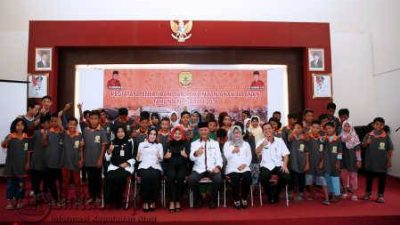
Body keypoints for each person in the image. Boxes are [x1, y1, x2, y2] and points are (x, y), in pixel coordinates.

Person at [189, 122, 223, 209]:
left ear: (209, 131)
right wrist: (196, 153)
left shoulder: (215, 143)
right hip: (198, 169)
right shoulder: (194, 143)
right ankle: (198, 199)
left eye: (205, 130)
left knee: (218, 179)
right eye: (201, 130)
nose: (203, 132)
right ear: (199, 132)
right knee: (192, 180)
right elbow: (191, 158)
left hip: (212, 168)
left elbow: (219, 158)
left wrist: (218, 167)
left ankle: (212, 200)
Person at [256, 122, 290, 204]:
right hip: (266, 165)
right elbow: (256, 152)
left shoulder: (279, 140)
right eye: (265, 129)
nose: (267, 130)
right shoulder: (260, 141)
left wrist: (285, 165)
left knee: (287, 177)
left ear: (273, 129)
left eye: (269, 128)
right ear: (263, 131)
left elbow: (286, 155)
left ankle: (276, 192)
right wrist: (262, 145)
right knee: (263, 178)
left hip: (278, 164)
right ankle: (269, 193)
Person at [362, 117, 393, 203]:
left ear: (383, 126)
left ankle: (380, 196)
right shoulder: (368, 135)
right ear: (373, 125)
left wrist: (389, 160)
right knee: (369, 179)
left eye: (381, 124)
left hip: (381, 164)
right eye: (377, 124)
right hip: (370, 162)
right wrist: (366, 142)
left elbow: (390, 149)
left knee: (382, 180)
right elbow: (363, 146)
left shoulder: (386, 137)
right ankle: (368, 193)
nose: (379, 126)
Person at [2, 118, 30, 210]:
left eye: (22, 125)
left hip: (22, 166)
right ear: (14, 126)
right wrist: (8, 140)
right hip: (11, 165)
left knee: (21, 185)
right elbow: (3, 145)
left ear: (24, 127)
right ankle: (10, 202)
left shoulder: (26, 138)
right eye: (17, 125)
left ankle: (20, 201)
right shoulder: (11, 136)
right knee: (10, 185)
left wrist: (28, 163)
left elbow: (28, 152)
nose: (20, 127)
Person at [104, 126, 135, 208]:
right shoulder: (112, 142)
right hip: (114, 166)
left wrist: (128, 163)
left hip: (126, 166)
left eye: (122, 131)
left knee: (120, 177)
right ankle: (111, 200)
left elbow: (134, 156)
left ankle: (119, 199)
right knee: (110, 177)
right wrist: (109, 151)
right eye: (118, 132)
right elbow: (107, 158)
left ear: (125, 132)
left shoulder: (130, 141)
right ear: (115, 133)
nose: (120, 134)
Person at [223, 126, 252, 209]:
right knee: (235, 179)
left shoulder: (246, 144)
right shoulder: (227, 144)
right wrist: (233, 151)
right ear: (231, 134)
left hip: (244, 166)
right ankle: (236, 199)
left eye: (238, 132)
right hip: (231, 167)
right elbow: (226, 158)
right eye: (234, 132)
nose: (236, 134)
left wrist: (245, 164)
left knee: (248, 177)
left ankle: (244, 198)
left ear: (241, 134)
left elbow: (249, 156)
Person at [83, 110, 107, 205]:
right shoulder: (85, 130)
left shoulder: (102, 130)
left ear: (99, 120)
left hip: (98, 159)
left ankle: (98, 196)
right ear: (89, 119)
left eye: (95, 119)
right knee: (90, 179)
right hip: (88, 159)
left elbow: (103, 146)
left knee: (97, 179)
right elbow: (83, 145)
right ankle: (91, 196)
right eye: (92, 118)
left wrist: (100, 159)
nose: (93, 121)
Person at [136, 128, 164, 212]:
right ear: (147, 135)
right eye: (151, 134)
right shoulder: (141, 144)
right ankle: (145, 201)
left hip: (155, 166)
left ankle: (152, 201)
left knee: (155, 177)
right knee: (146, 177)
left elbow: (161, 159)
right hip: (144, 165)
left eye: (154, 134)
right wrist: (138, 155)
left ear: (156, 136)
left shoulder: (159, 145)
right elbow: (138, 159)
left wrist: (159, 156)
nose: (152, 136)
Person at [164, 126, 190, 212]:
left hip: (182, 166)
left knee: (180, 177)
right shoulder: (168, 143)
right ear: (172, 134)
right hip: (170, 165)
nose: (177, 135)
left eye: (179, 133)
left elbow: (191, 158)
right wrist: (166, 157)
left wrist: (186, 156)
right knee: (170, 177)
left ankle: (178, 200)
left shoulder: (186, 143)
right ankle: (171, 201)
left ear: (182, 134)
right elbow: (163, 158)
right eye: (176, 133)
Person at [305, 120, 330, 205]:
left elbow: (325, 151)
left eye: (317, 128)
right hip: (310, 163)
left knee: (323, 180)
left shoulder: (322, 138)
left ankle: (327, 199)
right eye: (314, 127)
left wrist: (322, 161)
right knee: (310, 180)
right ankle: (312, 195)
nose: (315, 129)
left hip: (319, 163)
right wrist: (307, 163)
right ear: (311, 128)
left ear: (320, 128)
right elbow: (306, 151)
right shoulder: (308, 138)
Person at [61, 117, 84, 205]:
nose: (72, 126)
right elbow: (60, 124)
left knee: (77, 181)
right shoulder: (64, 134)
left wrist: (81, 159)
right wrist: (61, 115)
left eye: (74, 124)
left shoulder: (79, 135)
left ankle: (78, 198)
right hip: (65, 161)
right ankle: (64, 198)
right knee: (65, 181)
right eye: (71, 124)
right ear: (67, 125)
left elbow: (81, 149)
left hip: (76, 161)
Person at [43, 113, 64, 205]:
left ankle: (61, 198)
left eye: (55, 121)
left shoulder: (62, 132)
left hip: (60, 163)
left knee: (61, 183)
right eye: (51, 121)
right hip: (49, 162)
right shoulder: (48, 132)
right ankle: (55, 198)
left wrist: (60, 125)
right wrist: (45, 136)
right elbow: (44, 144)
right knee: (51, 183)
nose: (53, 123)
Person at [30, 115, 50, 204]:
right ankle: (36, 195)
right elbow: (30, 144)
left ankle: (45, 195)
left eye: (50, 122)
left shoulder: (52, 133)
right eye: (47, 123)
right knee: (36, 180)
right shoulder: (36, 133)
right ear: (42, 124)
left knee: (46, 180)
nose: (49, 124)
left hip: (47, 161)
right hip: (37, 160)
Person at [287, 122, 309, 201]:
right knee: (291, 178)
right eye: (295, 128)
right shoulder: (292, 137)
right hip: (293, 161)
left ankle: (301, 193)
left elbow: (307, 152)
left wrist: (307, 163)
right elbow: (289, 138)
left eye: (299, 128)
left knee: (301, 178)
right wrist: (293, 132)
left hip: (302, 161)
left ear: (302, 129)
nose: (297, 129)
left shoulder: (304, 139)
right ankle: (290, 193)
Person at [340, 120, 361, 201]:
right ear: (342, 127)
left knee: (353, 177)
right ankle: (345, 192)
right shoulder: (340, 137)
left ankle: (354, 194)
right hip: (343, 160)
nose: (346, 128)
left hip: (352, 159)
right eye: (345, 126)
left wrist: (359, 160)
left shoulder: (355, 136)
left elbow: (358, 149)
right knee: (344, 176)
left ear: (351, 127)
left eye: (348, 126)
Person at [322, 122, 342, 202]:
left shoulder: (337, 139)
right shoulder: (324, 139)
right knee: (328, 178)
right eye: (326, 129)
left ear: (334, 128)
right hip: (326, 163)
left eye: (330, 128)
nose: (328, 130)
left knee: (335, 178)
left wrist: (338, 162)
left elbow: (340, 152)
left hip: (334, 163)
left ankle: (337, 195)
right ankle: (331, 193)